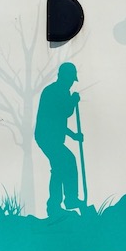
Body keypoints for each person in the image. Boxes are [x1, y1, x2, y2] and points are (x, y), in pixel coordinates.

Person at [34, 62, 84, 217]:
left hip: (51, 137)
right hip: (46, 137)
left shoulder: (62, 92)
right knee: (66, 161)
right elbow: (64, 112)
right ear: (63, 76)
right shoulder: (53, 91)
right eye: (70, 79)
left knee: (60, 166)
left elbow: (59, 120)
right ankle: (65, 201)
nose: (71, 83)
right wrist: (73, 101)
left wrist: (73, 135)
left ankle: (58, 204)